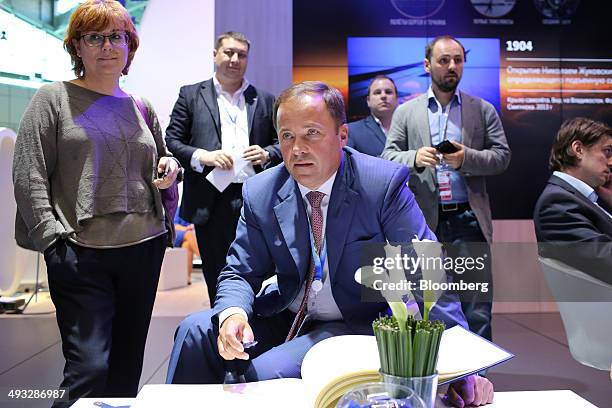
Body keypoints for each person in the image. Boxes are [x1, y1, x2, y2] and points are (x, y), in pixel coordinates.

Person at [166, 81, 494, 407]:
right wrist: (233, 315)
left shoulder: (381, 185)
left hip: (353, 322)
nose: (297, 149)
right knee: (194, 332)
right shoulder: (261, 190)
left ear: (342, 135)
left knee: (261, 375)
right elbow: (239, 271)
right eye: (287, 136)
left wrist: (460, 371)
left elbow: (427, 273)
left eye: (312, 133)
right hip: (287, 310)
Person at [12, 1, 180, 406]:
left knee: (126, 370)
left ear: (129, 46)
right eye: (95, 37)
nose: (108, 46)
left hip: (142, 249)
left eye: (117, 36)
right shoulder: (52, 99)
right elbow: (28, 172)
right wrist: (52, 241)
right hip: (80, 254)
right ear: (77, 47)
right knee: (88, 370)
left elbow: (162, 160)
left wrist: (169, 167)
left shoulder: (141, 107)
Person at [382, 35, 511, 341]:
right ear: (427, 65)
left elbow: (502, 157)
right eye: (444, 60)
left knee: (477, 308)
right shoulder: (406, 112)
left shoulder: (482, 110)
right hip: (423, 222)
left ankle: (478, 381)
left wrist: (466, 158)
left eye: (458, 60)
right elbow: (387, 156)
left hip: (468, 220)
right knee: (429, 305)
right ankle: (438, 379)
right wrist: (414, 157)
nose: (452, 66)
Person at [165, 31, 281, 303]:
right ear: (215, 55)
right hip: (210, 199)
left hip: (256, 196)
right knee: (217, 273)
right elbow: (172, 139)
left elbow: (281, 142)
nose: (235, 59)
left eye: (241, 54)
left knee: (259, 271)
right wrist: (202, 156)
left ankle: (258, 330)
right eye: (229, 52)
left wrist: (267, 152)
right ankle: (222, 328)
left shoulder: (264, 99)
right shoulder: (191, 94)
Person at [534, 117, 612, 284]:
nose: (611, 161)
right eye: (607, 152)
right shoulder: (556, 203)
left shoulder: (574, 198)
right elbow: (607, 261)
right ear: (578, 149)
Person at [347, 75, 399, 157]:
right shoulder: (352, 131)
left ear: (397, 99)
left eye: (388, 92)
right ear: (368, 101)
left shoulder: (410, 129)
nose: (383, 96)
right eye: (377, 92)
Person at [174, 211, 201, 284]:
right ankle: (203, 256)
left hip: (185, 237)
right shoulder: (178, 210)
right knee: (189, 234)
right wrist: (186, 228)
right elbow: (175, 225)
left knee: (187, 245)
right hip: (175, 234)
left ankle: (187, 277)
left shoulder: (191, 212)